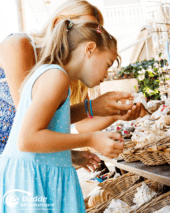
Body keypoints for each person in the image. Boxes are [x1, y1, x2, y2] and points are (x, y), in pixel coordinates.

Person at [0, 0, 147, 171]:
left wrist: (114, 113)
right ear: (59, 23)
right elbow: (28, 125)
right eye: (87, 27)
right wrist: (81, 144)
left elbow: (73, 125)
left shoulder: (69, 74)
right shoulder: (19, 45)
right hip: (14, 161)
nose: (92, 36)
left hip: (31, 161)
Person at [0, 19, 123, 212]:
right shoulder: (57, 78)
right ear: (89, 49)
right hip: (35, 182)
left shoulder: (52, 74)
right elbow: (27, 139)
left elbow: (52, 120)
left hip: (34, 177)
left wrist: (93, 108)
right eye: (107, 64)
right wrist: (92, 138)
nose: (107, 74)